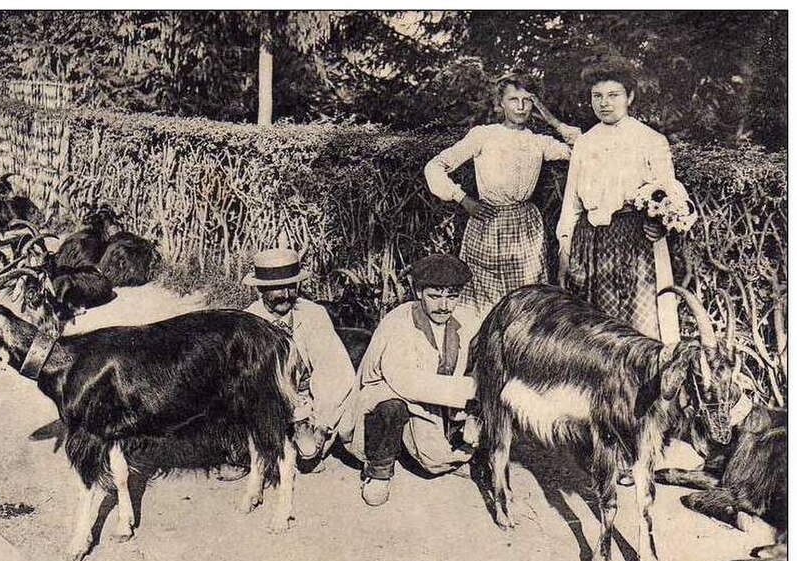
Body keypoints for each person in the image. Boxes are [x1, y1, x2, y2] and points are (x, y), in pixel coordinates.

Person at [425, 75, 581, 320]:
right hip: (486, 224)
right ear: (500, 104)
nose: (520, 106)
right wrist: (462, 198)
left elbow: (583, 151)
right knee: (481, 310)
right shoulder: (483, 135)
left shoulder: (538, 141)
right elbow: (434, 166)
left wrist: (550, 118)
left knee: (527, 307)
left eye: (527, 100)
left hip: (526, 229)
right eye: (513, 100)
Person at [556, 59, 690, 340]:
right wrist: (565, 250)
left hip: (636, 244)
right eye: (597, 96)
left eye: (613, 95)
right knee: (594, 334)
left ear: (630, 96)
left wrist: (661, 225)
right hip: (591, 243)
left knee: (640, 331)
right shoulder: (585, 142)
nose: (604, 103)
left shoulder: (651, 140)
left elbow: (668, 194)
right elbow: (572, 203)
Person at [338, 253, 479, 507]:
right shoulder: (398, 323)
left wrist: (472, 406)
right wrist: (471, 394)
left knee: (436, 460)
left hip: (432, 401)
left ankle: (443, 447)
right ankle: (378, 470)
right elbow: (405, 382)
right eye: (435, 296)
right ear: (418, 292)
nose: (444, 305)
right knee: (392, 406)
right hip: (389, 397)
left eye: (452, 296)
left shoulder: (465, 321)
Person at [224, 248, 356, 478]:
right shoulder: (246, 322)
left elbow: (334, 370)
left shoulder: (313, 314)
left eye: (292, 286)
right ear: (260, 288)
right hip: (266, 404)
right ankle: (250, 452)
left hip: (307, 402)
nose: (286, 295)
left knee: (309, 450)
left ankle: (300, 445)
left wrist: (321, 423)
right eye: (277, 288)